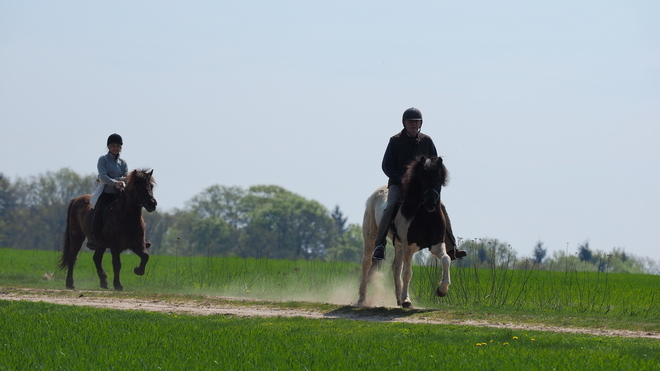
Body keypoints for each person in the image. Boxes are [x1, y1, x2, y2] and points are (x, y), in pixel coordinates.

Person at [372, 107, 466, 261]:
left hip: (422, 188)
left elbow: (435, 164)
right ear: (404, 123)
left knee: (441, 207)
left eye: (417, 122)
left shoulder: (427, 141)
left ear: (421, 123)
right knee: (390, 206)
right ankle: (379, 245)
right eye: (411, 122)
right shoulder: (395, 141)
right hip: (399, 184)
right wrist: (399, 179)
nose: (414, 124)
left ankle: (451, 247)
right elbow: (386, 165)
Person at [86, 133, 128, 249]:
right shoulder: (103, 160)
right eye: (113, 146)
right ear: (109, 147)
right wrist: (115, 182)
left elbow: (126, 176)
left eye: (118, 146)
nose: (116, 148)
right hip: (107, 192)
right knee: (98, 209)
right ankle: (93, 236)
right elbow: (103, 176)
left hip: (119, 194)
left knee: (133, 208)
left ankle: (139, 237)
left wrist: (124, 180)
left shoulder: (123, 163)